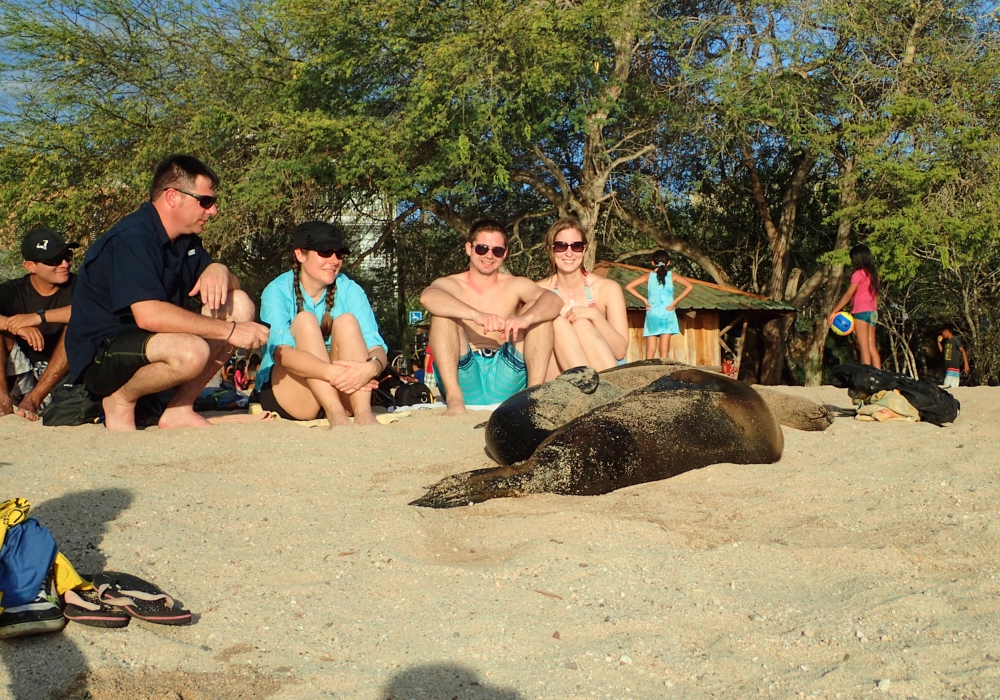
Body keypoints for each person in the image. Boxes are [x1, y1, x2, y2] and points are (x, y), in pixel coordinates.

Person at [65, 155, 269, 431]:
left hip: (150, 344)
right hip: (104, 353)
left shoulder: (186, 241)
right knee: (192, 350)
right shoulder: (133, 238)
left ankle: (179, 408)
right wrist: (230, 331)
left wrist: (219, 269)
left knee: (239, 305)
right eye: (206, 201)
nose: (213, 211)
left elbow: (229, 288)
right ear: (173, 197)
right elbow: (149, 316)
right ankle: (119, 400)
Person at [420, 218, 561, 415]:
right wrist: (476, 315)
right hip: (465, 374)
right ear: (469, 248)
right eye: (482, 249)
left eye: (497, 251)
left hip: (507, 372)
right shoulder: (452, 284)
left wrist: (525, 318)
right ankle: (454, 399)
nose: (489, 255)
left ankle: (532, 397)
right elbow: (428, 297)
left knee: (538, 311)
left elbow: (553, 301)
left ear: (505, 254)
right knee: (442, 314)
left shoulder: (515, 284)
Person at [257, 221, 388, 427]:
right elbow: (280, 352)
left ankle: (363, 413)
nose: (334, 260)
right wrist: (330, 373)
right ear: (300, 255)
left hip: (344, 389)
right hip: (295, 395)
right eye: (325, 252)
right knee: (305, 320)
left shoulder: (350, 289)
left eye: (339, 254)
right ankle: (336, 415)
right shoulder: (276, 290)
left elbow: (376, 347)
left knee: (347, 321)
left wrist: (370, 369)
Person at [0, 228, 79, 420]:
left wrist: (38, 317)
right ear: (30, 266)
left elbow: (91, 311)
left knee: (77, 325)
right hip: (21, 373)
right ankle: (2, 398)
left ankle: (33, 400)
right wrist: (13, 324)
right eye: (53, 260)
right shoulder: (13, 290)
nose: (64, 264)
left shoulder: (80, 286)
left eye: (67, 256)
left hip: (60, 378)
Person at [535, 218, 629, 379]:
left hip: (606, 369)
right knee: (557, 324)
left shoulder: (607, 288)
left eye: (576, 246)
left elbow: (620, 351)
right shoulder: (538, 291)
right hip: (559, 374)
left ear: (584, 250)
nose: (569, 253)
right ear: (550, 250)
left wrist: (594, 315)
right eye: (561, 246)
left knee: (582, 324)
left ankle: (604, 393)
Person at [625, 250, 694, 360]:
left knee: (650, 351)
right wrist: (675, 302)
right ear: (668, 263)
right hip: (667, 312)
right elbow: (689, 286)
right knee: (664, 351)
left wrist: (644, 300)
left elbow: (629, 286)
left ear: (652, 262)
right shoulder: (672, 276)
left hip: (652, 312)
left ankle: (648, 374)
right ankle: (664, 375)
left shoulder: (648, 276)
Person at [827, 243, 881, 368]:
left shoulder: (858, 274)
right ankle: (879, 376)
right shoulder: (874, 275)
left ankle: (866, 377)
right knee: (872, 347)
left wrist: (834, 311)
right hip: (873, 312)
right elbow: (875, 297)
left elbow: (848, 295)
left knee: (863, 347)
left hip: (861, 312)